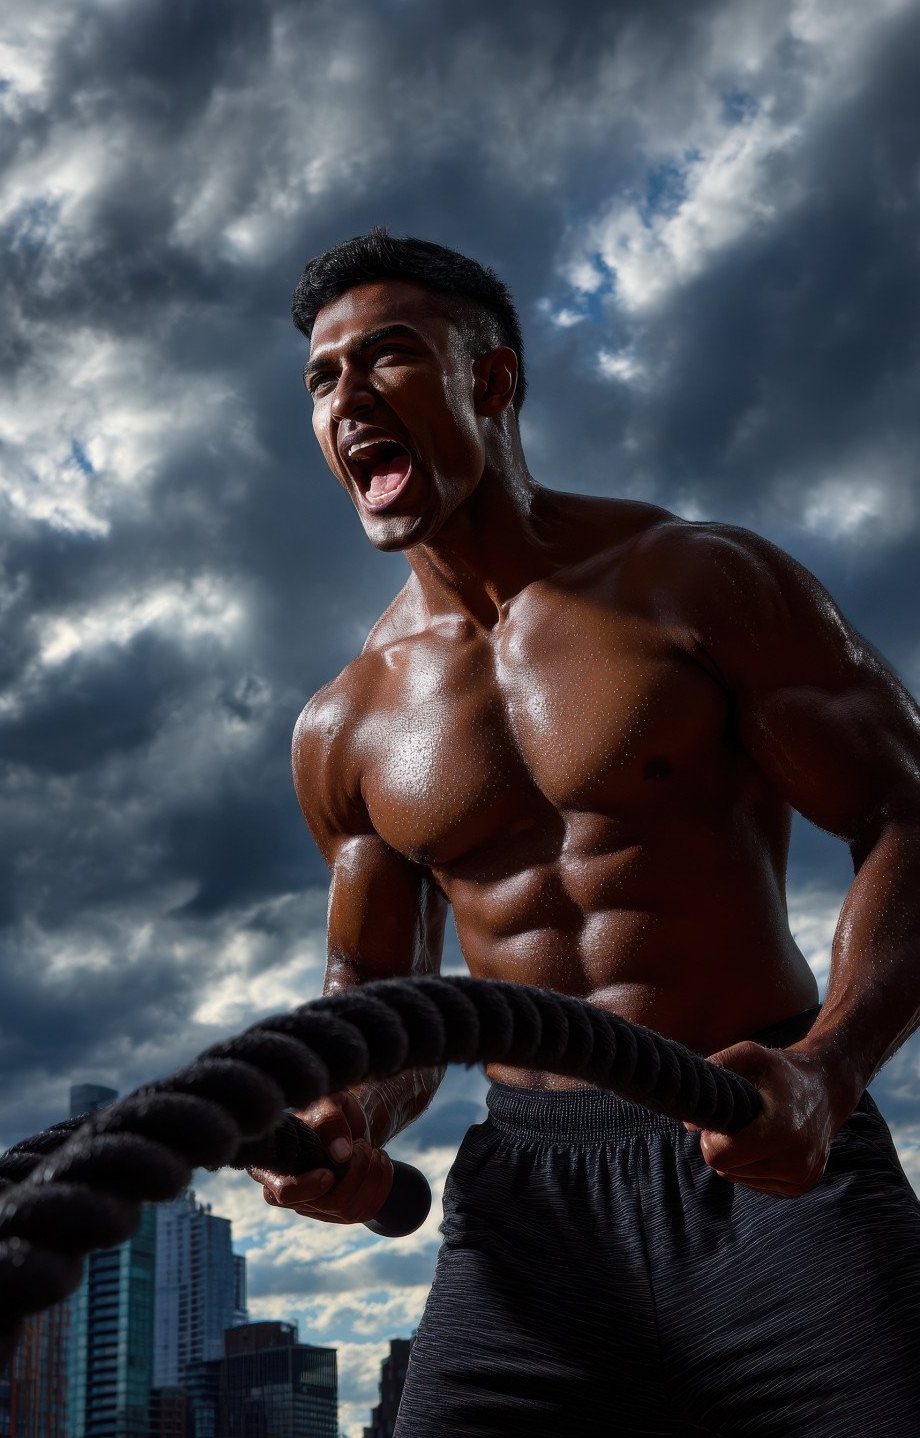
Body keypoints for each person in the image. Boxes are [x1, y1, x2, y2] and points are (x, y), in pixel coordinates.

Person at [249, 229, 920, 1435]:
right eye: (322, 378)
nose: (347, 398)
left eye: (387, 358)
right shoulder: (346, 724)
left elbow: (908, 811)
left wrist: (832, 1070)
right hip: (530, 1206)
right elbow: (375, 990)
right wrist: (344, 1115)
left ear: (490, 382)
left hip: (772, 1160)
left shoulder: (696, 583)